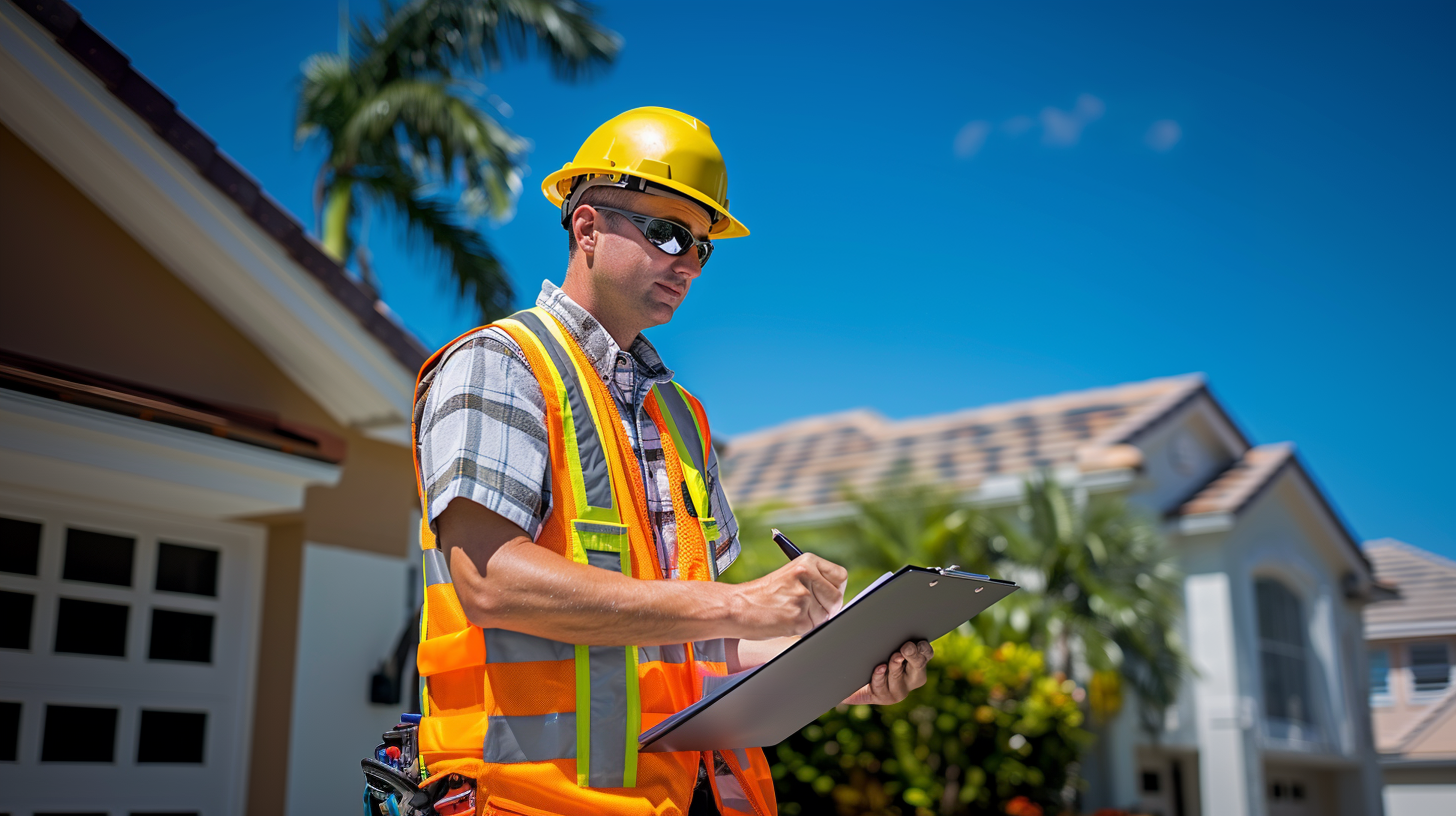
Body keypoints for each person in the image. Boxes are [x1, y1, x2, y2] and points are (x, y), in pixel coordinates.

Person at [409, 107, 933, 816]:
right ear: (587, 228)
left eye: (702, 247)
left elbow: (696, 650)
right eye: (667, 232)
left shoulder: (683, 419)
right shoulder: (501, 365)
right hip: (526, 802)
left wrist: (839, 672)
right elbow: (487, 580)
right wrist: (741, 602)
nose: (687, 261)